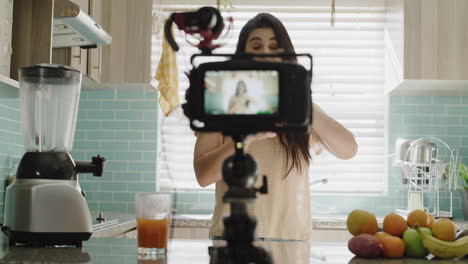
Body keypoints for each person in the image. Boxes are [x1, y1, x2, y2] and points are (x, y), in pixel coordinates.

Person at [193, 13, 358, 241]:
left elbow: (348, 149)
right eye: (257, 45)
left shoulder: (302, 110)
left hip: (291, 241)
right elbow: (203, 175)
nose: (266, 53)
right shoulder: (222, 103)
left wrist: (302, 101)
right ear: (244, 54)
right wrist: (246, 138)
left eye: (274, 46)